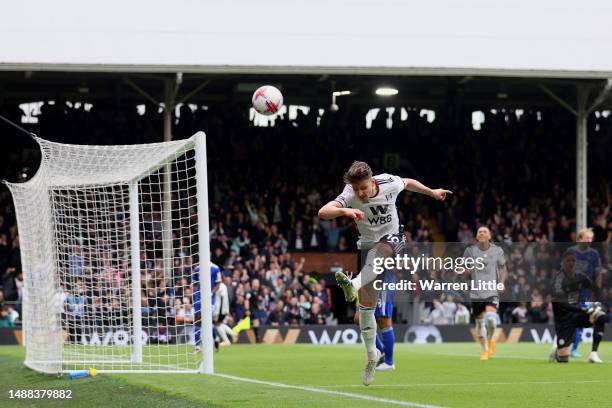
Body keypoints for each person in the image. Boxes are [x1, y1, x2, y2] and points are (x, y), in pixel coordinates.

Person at [318, 160, 451, 385]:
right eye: (357, 189)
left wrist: (431, 192)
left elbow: (408, 182)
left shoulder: (388, 182)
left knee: (381, 251)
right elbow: (323, 212)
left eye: (364, 188)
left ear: (372, 181)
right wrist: (344, 210)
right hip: (367, 245)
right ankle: (372, 356)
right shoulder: (349, 193)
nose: (360, 193)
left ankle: (355, 283)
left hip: (393, 239)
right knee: (364, 313)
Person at [549, 251, 605, 363]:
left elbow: (595, 288)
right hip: (564, 319)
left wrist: (597, 303)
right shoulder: (558, 280)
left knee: (600, 316)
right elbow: (562, 304)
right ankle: (557, 352)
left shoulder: (580, 276)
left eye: (573, 260)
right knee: (563, 359)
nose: (571, 263)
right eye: (568, 260)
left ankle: (593, 354)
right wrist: (584, 309)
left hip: (578, 314)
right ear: (563, 263)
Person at [462, 226, 508, 360]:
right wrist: (464, 271)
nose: (482, 233)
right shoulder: (470, 251)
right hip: (476, 292)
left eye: (485, 231)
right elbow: (465, 269)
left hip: (491, 290)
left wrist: (501, 282)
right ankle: (485, 350)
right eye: (479, 232)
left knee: (491, 320)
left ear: (489, 236)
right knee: (480, 324)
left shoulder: (497, 250)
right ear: (477, 236)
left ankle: (491, 340)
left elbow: (503, 267)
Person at [567, 228, 604, 358]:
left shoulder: (594, 254)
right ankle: (564, 345)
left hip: (587, 291)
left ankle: (574, 348)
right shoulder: (571, 251)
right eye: (587, 238)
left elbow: (598, 273)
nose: (589, 240)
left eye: (591, 238)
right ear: (579, 238)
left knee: (584, 317)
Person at [194, 262, 222, 353]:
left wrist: (211, 292)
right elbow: (195, 283)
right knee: (197, 319)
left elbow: (218, 283)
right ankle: (197, 346)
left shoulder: (215, 268)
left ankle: (216, 337)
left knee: (207, 320)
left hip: (210, 298)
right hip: (199, 297)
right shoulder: (197, 268)